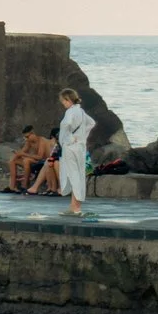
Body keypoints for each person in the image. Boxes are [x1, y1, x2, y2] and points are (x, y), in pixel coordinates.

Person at [56, 88, 95, 217]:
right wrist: (82, 136)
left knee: (73, 175)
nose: (63, 103)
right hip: (80, 147)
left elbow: (66, 124)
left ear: (68, 99)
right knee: (78, 174)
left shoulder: (70, 112)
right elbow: (91, 123)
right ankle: (74, 206)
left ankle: (76, 208)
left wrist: (70, 138)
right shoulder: (81, 111)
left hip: (70, 147)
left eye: (63, 101)